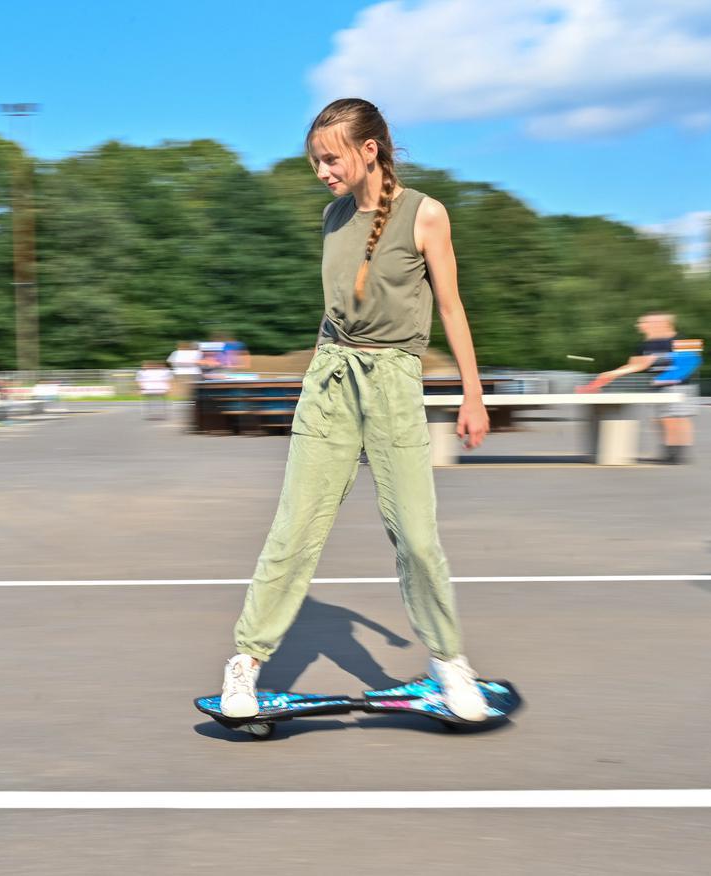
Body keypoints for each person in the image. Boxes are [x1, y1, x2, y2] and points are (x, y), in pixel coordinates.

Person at [219, 97, 492, 722]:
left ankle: (449, 664)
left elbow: (451, 308)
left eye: (330, 158)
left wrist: (472, 394)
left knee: (416, 536)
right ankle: (245, 663)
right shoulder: (332, 217)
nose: (322, 170)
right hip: (331, 379)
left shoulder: (426, 215)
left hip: (395, 380)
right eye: (314, 161)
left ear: (369, 150)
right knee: (295, 529)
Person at [575, 312, 698, 463]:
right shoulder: (645, 345)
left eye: (644, 323)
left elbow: (690, 365)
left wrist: (663, 379)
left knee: (677, 419)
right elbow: (634, 365)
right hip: (658, 387)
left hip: (680, 387)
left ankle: (679, 454)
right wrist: (610, 374)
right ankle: (669, 450)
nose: (639, 326)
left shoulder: (684, 340)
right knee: (660, 420)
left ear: (661, 324)